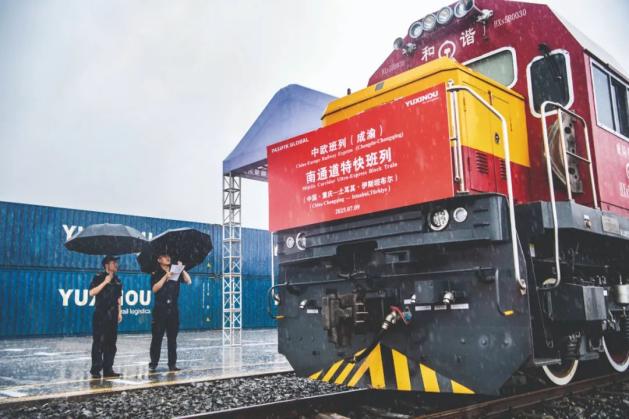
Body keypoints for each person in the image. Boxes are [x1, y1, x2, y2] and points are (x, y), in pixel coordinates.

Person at [149, 254, 191, 372]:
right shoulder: (155, 273)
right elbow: (154, 289)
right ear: (159, 260)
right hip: (160, 309)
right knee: (157, 337)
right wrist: (165, 277)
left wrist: (182, 269)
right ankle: (153, 363)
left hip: (173, 309)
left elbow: (188, 281)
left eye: (168, 256)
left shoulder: (176, 271)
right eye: (164, 256)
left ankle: (172, 364)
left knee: (172, 339)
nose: (168, 258)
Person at [89, 255, 123, 378]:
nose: (116, 265)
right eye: (114, 262)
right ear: (107, 265)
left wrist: (119, 312)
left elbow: (118, 297)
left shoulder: (118, 280)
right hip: (100, 314)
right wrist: (105, 282)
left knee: (111, 343)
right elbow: (91, 292)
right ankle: (96, 369)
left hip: (112, 314)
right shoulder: (98, 277)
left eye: (116, 262)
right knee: (99, 342)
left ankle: (108, 369)